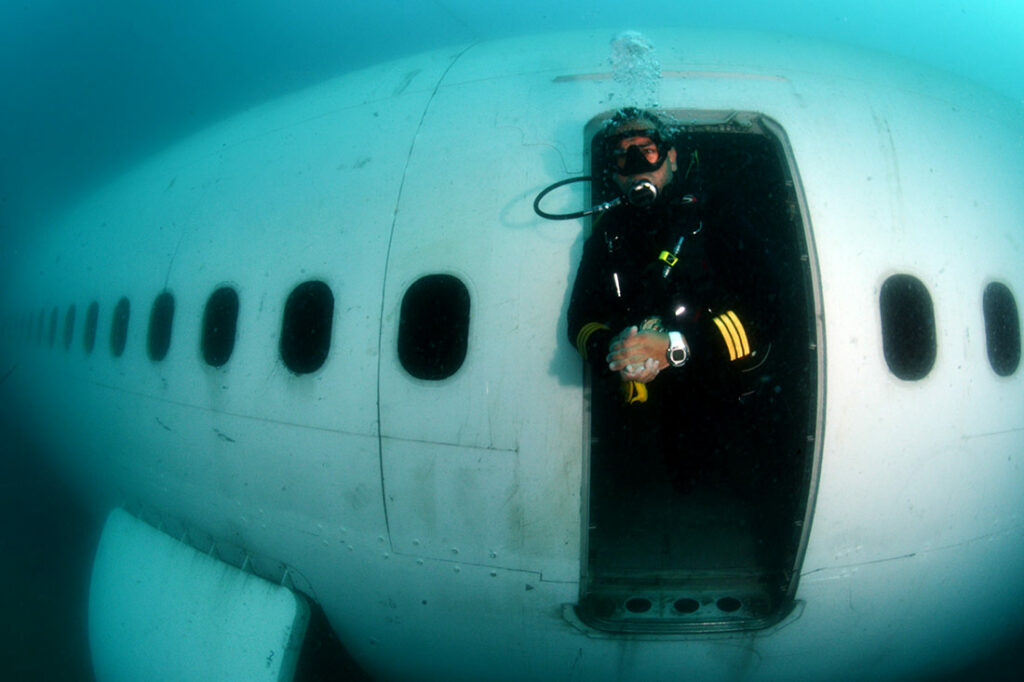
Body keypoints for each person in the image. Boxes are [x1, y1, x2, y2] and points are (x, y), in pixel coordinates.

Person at [567, 108, 773, 492]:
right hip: (642, 415)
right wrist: (612, 350)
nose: (634, 164)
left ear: (672, 156)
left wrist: (677, 347)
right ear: (611, 170)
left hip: (720, 403)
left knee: (709, 486)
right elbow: (579, 321)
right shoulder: (608, 233)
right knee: (661, 484)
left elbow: (769, 315)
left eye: (645, 150)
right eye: (622, 154)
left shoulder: (715, 214)